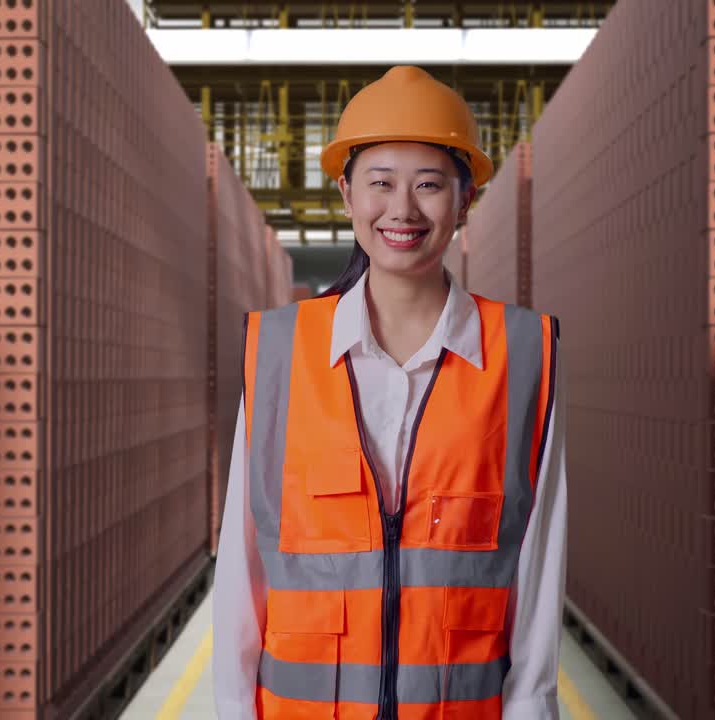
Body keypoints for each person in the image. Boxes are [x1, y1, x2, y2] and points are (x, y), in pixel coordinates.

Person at [213, 65, 567, 719]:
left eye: (429, 185)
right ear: (347, 193)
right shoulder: (280, 353)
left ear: (464, 199)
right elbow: (241, 566)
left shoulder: (521, 354)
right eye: (381, 183)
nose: (402, 209)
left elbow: (538, 574)